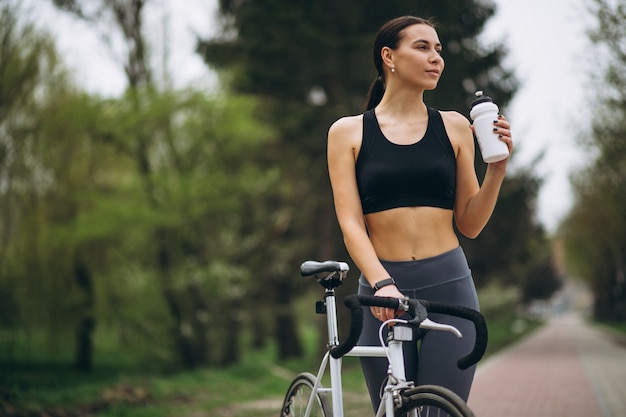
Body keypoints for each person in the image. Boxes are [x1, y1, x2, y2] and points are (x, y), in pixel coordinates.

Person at [326, 15, 513, 410]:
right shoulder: (348, 132)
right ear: (389, 57)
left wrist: (497, 169)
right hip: (382, 292)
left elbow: (471, 224)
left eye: (439, 50)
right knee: (392, 409)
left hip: (450, 286)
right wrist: (381, 283)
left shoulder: (456, 126)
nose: (436, 58)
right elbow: (350, 223)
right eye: (423, 47)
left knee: (441, 408)